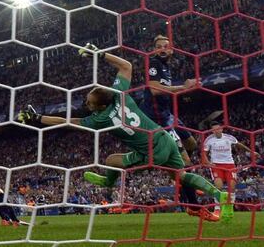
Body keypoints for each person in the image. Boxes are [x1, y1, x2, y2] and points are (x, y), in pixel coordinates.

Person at [18, 43, 233, 221]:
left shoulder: (100, 119)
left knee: (111, 160)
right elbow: (126, 66)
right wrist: (100, 54)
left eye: (89, 103)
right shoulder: (120, 94)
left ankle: (108, 182)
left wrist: (37, 118)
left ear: (100, 107)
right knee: (182, 175)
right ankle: (219, 195)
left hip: (151, 151)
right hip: (163, 137)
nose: (87, 104)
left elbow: (66, 121)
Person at [139, 35, 215, 219]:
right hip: (157, 119)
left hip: (168, 116)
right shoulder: (154, 63)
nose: (163, 49)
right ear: (155, 50)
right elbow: (155, 90)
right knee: (185, 162)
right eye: (159, 46)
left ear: (172, 50)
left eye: (166, 46)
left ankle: (183, 182)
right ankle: (193, 206)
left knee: (191, 143)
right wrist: (184, 87)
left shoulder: (166, 67)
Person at [203, 121, 260, 215]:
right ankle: (217, 209)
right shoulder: (209, 140)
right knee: (219, 186)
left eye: (218, 129)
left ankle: (229, 207)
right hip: (216, 165)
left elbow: (239, 145)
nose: (216, 131)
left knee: (232, 186)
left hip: (230, 165)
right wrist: (208, 163)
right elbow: (204, 154)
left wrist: (252, 152)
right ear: (212, 131)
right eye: (214, 130)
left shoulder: (229, 138)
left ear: (221, 129)